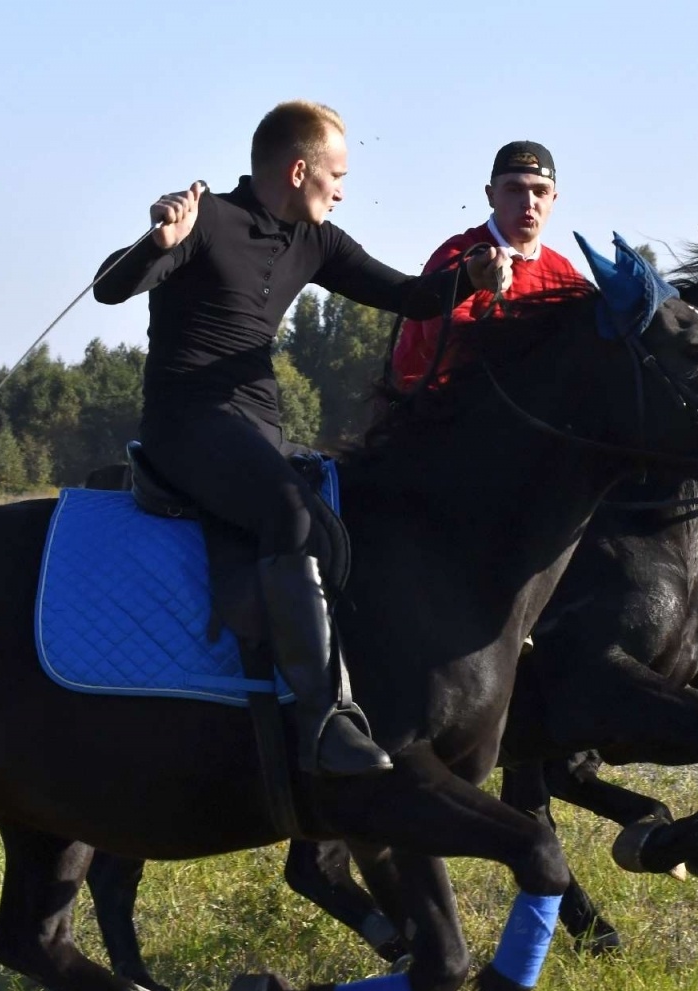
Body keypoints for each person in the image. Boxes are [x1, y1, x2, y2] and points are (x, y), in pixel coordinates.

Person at [93, 100, 512, 777]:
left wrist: (471, 276)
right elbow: (110, 290)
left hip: (260, 433)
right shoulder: (209, 221)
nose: (344, 189)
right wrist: (157, 243)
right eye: (337, 175)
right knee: (290, 512)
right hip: (186, 427)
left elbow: (408, 295)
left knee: (350, 514)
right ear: (298, 171)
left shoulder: (317, 241)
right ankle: (323, 721)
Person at [392, 141, 585, 389]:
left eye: (540, 192)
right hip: (432, 410)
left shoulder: (564, 273)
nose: (528, 202)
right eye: (514, 190)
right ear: (491, 196)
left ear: (554, 199)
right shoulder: (457, 255)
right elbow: (449, 339)